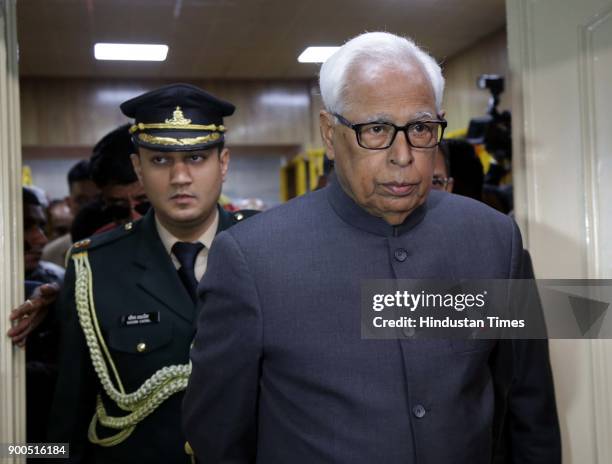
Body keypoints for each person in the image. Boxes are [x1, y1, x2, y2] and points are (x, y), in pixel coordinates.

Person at [183, 32, 561, 463]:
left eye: (420, 128)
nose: (403, 155)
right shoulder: (252, 260)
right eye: (376, 129)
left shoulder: (494, 240)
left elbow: (530, 411)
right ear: (329, 133)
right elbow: (219, 439)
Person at [47, 83, 256, 463]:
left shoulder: (269, 248)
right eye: (160, 160)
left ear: (222, 163)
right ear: (137, 168)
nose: (180, 177)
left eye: (196, 158)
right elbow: (70, 416)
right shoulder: (94, 268)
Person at [42, 159, 100, 267]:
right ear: (69, 203)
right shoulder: (49, 255)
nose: (90, 207)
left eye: (97, 199)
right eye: (82, 201)